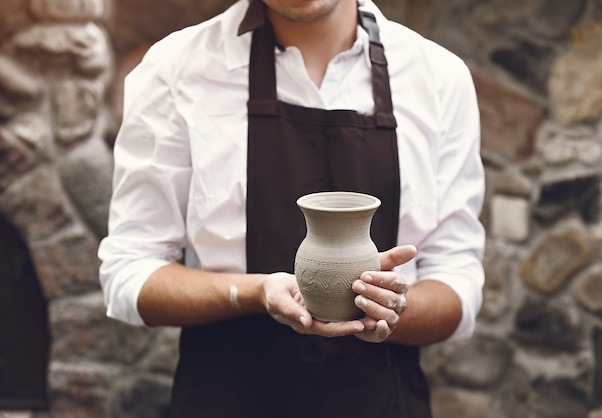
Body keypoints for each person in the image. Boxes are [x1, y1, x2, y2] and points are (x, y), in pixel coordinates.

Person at [98, 0, 485, 416]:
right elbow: (129, 274)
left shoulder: (439, 78)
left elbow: (457, 282)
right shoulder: (176, 70)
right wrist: (253, 293)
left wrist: (391, 311)